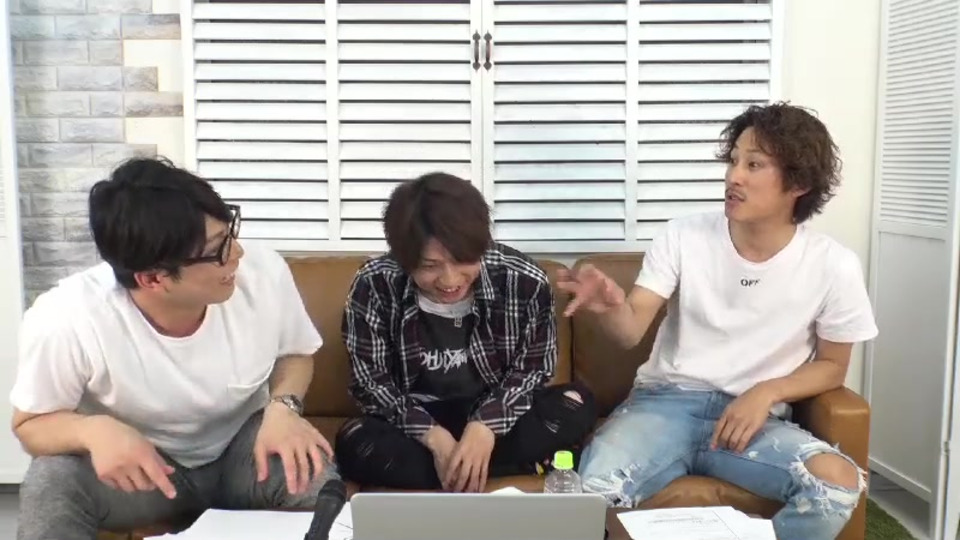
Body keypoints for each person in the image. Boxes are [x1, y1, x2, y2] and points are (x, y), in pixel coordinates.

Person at [560, 103, 878, 540]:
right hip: (663, 403)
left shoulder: (833, 264)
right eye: (733, 161)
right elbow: (630, 330)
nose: (733, 177)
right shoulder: (682, 235)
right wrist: (613, 307)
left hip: (754, 420)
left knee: (836, 482)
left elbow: (832, 366)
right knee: (590, 494)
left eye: (754, 165)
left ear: (799, 183)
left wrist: (766, 392)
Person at [10, 157, 338, 540]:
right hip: (145, 469)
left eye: (230, 234)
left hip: (243, 451)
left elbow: (295, 353)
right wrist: (93, 431)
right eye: (217, 249)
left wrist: (284, 407)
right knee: (51, 480)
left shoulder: (263, 273)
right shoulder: (67, 317)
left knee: (315, 476)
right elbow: (30, 425)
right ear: (153, 279)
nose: (237, 254)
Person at [334, 172, 597, 492]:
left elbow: (533, 371)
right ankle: (505, 465)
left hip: (499, 417)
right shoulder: (374, 284)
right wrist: (434, 437)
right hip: (417, 423)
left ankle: (462, 467)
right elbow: (372, 383)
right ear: (404, 258)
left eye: (462, 261)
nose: (449, 280)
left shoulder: (524, 280)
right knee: (355, 442)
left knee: (576, 403)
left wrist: (485, 426)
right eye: (429, 266)